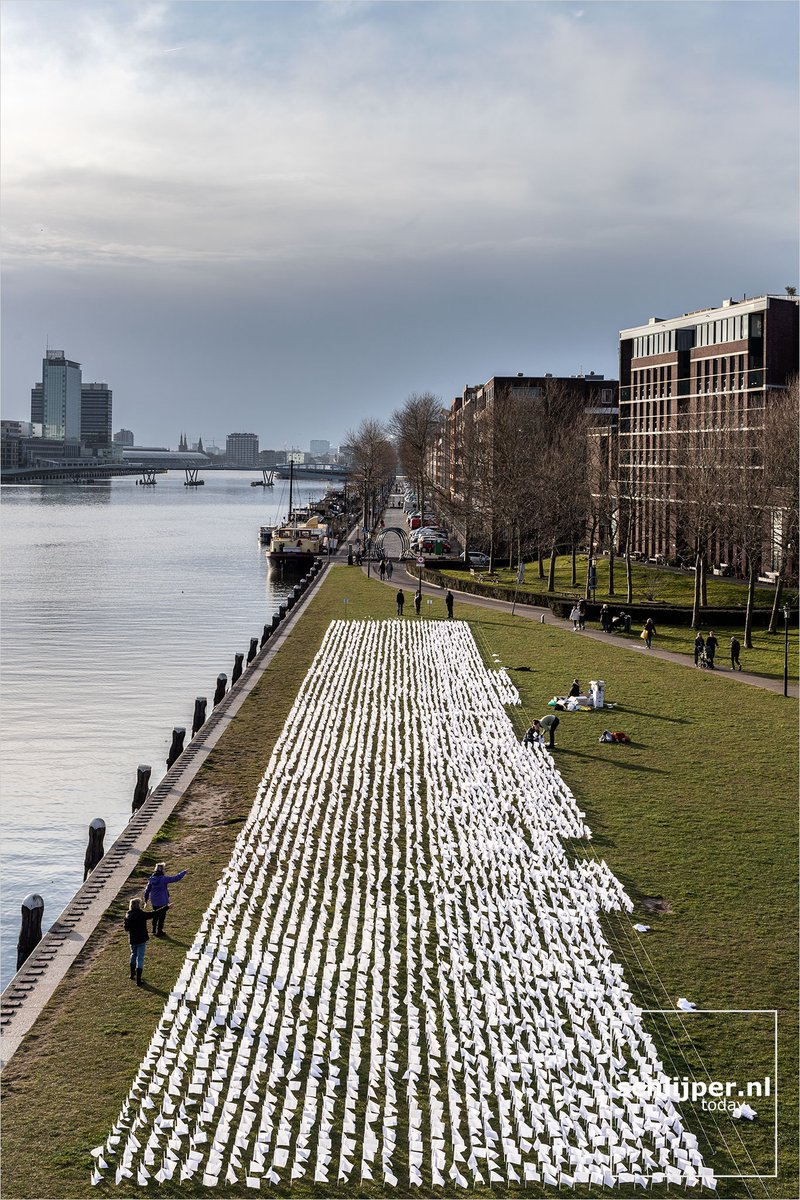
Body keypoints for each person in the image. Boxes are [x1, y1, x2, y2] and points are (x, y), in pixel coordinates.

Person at [143, 862, 187, 937]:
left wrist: (146, 900)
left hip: (154, 900)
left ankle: (153, 929)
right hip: (162, 901)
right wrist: (184, 872)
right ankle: (159, 931)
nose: (165, 871)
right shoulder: (163, 879)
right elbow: (175, 878)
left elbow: (147, 890)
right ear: (161, 870)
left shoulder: (152, 879)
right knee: (162, 917)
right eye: (164, 869)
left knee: (155, 915)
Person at [124, 897, 158, 986]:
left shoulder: (128, 915)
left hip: (133, 939)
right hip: (141, 939)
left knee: (133, 955)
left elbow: (126, 929)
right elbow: (154, 913)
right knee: (140, 958)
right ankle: (138, 981)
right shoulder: (142, 914)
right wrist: (166, 907)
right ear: (138, 905)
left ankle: (132, 974)